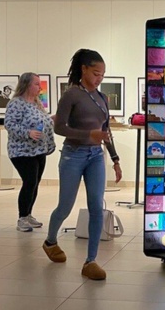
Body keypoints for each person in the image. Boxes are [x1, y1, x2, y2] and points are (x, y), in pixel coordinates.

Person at [42, 49, 122, 281]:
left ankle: (91, 261)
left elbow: (106, 133)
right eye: (96, 73)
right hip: (73, 155)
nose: (99, 78)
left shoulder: (102, 98)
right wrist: (90, 134)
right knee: (65, 207)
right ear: (83, 69)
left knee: (96, 206)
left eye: (103, 75)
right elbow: (59, 128)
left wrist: (115, 159)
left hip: (95, 156)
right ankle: (50, 241)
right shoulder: (71, 95)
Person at [4, 72, 56, 232]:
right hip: (22, 152)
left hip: (38, 150)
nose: (40, 87)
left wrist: (54, 118)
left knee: (35, 183)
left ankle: (28, 215)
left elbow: (44, 121)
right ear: (26, 85)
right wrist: (28, 133)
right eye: (36, 84)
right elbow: (9, 124)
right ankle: (22, 217)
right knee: (29, 182)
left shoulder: (36, 103)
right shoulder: (16, 103)